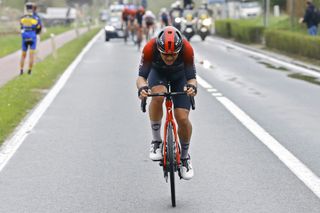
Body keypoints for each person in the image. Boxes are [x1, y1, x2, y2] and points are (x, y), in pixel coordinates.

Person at [136, 26, 197, 180]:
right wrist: (142, 88)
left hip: (180, 76)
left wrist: (192, 88)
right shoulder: (150, 48)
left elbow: (192, 79)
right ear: (159, 49)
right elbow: (141, 77)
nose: (169, 59)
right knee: (157, 96)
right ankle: (156, 141)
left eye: (173, 55)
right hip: (158, 74)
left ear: (179, 49)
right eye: (165, 55)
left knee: (182, 118)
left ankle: (184, 158)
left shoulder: (187, 49)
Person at [19, 2, 41, 75]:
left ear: (26, 8)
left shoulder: (23, 18)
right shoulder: (36, 18)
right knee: (31, 55)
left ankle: (21, 70)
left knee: (23, 55)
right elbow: (38, 27)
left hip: (25, 36)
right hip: (32, 36)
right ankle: (29, 71)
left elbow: (21, 26)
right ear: (32, 9)